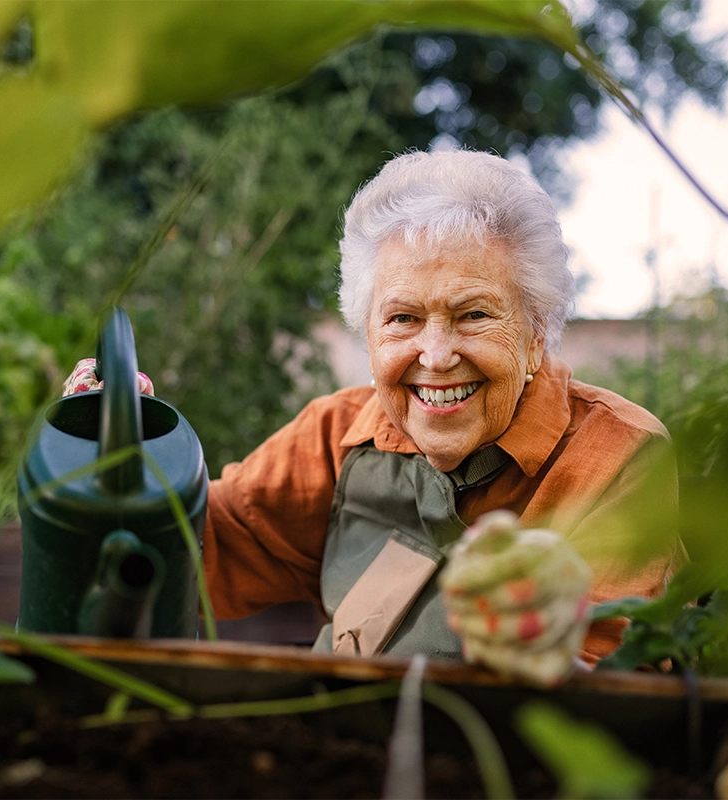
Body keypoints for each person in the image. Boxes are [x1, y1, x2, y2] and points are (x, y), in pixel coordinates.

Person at [65, 150, 686, 680]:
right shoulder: (336, 435)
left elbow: (612, 682)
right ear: (367, 333)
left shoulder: (616, 455)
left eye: (473, 315)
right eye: (403, 319)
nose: (436, 356)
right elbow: (204, 547)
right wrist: (117, 456)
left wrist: (540, 637)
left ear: (537, 335)